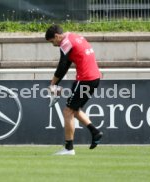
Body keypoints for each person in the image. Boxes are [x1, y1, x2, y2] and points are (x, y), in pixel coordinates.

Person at [45, 24, 103, 155]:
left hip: (85, 79)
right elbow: (66, 63)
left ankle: (69, 148)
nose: (53, 44)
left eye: (52, 41)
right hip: (93, 78)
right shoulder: (72, 37)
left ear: (57, 36)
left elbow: (63, 66)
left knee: (67, 111)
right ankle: (95, 132)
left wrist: (52, 84)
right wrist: (54, 84)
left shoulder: (65, 43)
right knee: (74, 109)